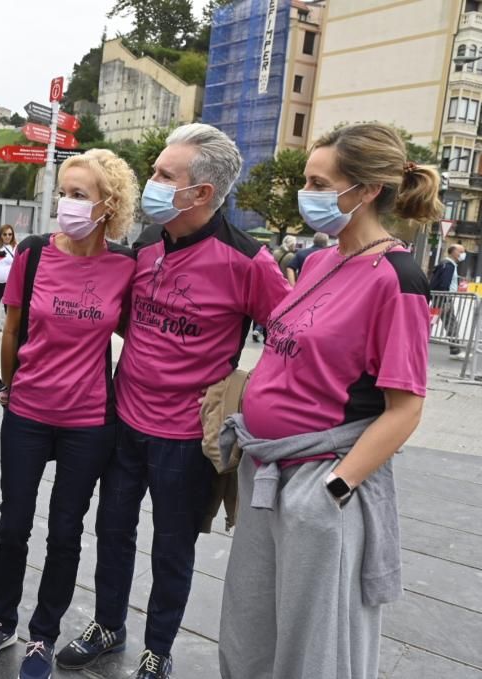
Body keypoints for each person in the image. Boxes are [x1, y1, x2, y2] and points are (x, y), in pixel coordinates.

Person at [57, 124, 291, 679]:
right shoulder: (143, 247)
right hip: (124, 419)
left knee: (172, 548)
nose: (152, 183)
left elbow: (291, 338)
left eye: (165, 175)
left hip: (187, 438)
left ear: (202, 193)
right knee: (111, 529)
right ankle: (109, 624)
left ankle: (157, 649)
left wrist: (247, 397)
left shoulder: (249, 261)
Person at [218, 123, 441, 679]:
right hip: (268, 470)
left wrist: (335, 486)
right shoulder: (319, 261)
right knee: (250, 629)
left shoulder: (398, 277)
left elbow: (406, 407)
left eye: (320, 182)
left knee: (315, 644)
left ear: (364, 190)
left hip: (320, 484)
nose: (307, 192)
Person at [0, 149, 138, 679]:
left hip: (89, 420)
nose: (66, 203)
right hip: (29, 413)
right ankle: (1, 620)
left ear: (109, 204)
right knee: (13, 522)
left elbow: (137, 332)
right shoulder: (34, 254)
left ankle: (44, 633)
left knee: (65, 529)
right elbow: (11, 330)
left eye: (80, 195)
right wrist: (13, 387)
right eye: (64, 191)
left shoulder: (125, 265)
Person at [429, 243, 467, 358]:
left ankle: (413, 343)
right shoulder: (448, 266)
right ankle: (455, 351)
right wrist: (445, 301)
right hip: (443, 300)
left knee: (431, 322)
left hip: (439, 299)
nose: (463, 254)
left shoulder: (446, 264)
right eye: (461, 252)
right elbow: (444, 284)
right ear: (454, 252)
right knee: (451, 324)